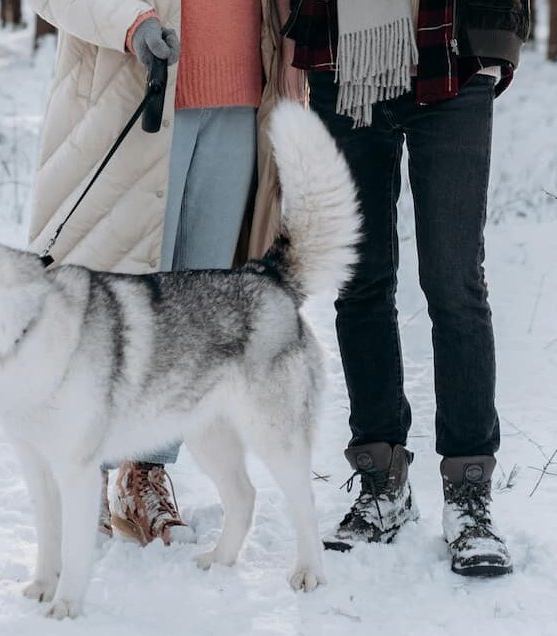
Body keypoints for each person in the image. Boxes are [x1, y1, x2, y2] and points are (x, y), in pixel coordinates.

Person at [29, 0, 305, 545]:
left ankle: (145, 474)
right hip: (137, 92)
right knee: (105, 306)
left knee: (192, 324)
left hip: (240, 99)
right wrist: (129, 22)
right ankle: (84, 476)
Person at [286, 0, 530, 576]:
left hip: (454, 56)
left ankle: (469, 497)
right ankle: (381, 481)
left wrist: (498, 41)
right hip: (342, 63)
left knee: (455, 285)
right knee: (360, 283)